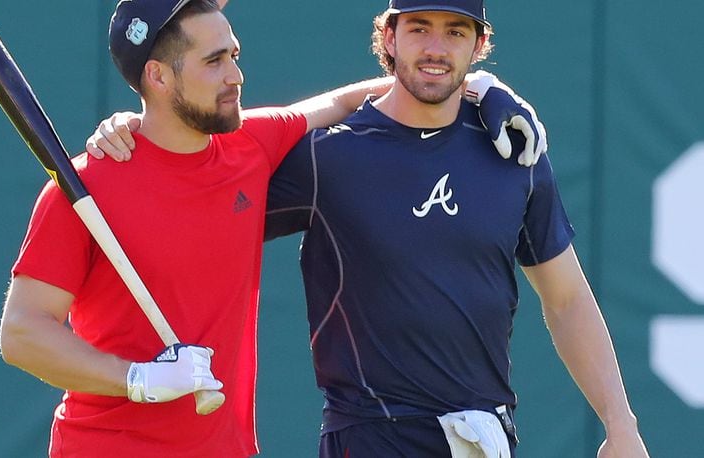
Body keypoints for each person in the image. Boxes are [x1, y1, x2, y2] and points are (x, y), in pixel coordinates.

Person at [66, 2, 548, 458]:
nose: (236, 75)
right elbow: (22, 332)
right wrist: (139, 380)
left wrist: (480, 86)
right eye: (214, 61)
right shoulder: (92, 183)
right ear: (157, 76)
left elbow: (344, 100)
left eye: (232, 56)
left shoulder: (251, 144)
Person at [261, 1, 650, 457]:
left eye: (455, 33)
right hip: (372, 436)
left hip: (485, 436)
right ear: (389, 37)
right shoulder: (329, 156)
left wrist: (621, 423)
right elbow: (217, 199)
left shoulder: (514, 151)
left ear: (480, 45)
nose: (435, 48)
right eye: (419, 29)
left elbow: (567, 299)